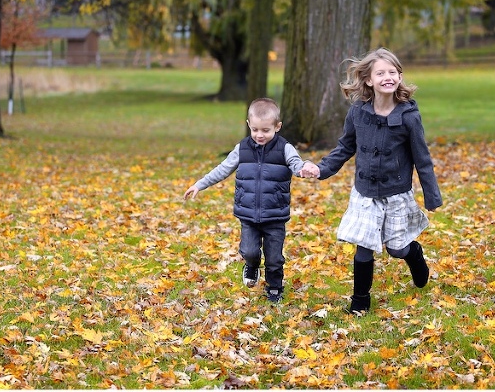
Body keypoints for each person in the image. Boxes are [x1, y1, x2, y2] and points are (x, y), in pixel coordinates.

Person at [300, 48, 442, 314]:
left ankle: (414, 255)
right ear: (368, 80)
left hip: (396, 193)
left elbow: (422, 159)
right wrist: (321, 169)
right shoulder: (358, 113)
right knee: (363, 248)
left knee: (397, 249)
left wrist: (431, 196)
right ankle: (360, 301)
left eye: (393, 72)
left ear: (399, 77)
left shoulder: (409, 117)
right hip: (365, 193)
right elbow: (345, 148)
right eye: (381, 73)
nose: (388, 77)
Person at [184, 98, 312, 303]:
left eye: (266, 130)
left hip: (275, 215)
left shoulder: (284, 148)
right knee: (250, 251)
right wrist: (200, 184)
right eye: (255, 130)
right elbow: (223, 168)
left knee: (274, 257)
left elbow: (296, 163)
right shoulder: (242, 148)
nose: (260, 135)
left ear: (277, 127)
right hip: (248, 213)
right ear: (248, 125)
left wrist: (304, 168)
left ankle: (274, 287)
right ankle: (251, 266)